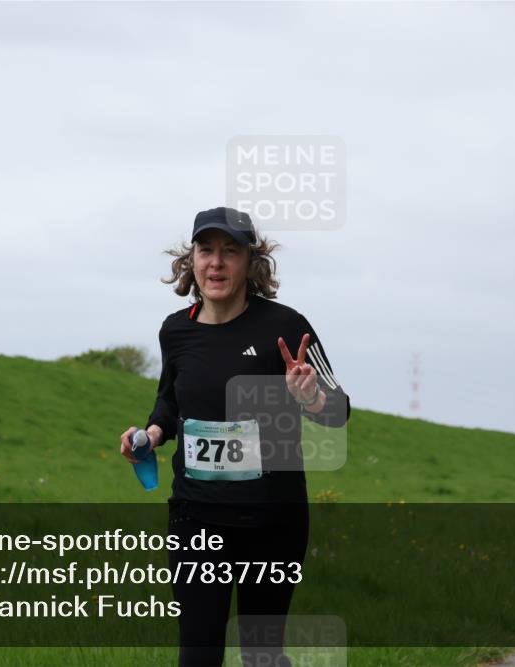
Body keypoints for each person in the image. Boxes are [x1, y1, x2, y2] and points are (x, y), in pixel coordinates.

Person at [120, 207, 351, 667]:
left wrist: (310, 398)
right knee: (198, 653)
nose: (217, 263)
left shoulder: (287, 327)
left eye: (230, 252)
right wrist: (149, 434)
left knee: (261, 655)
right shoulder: (176, 330)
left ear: (251, 263)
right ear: (192, 261)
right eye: (206, 251)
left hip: (273, 519)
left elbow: (339, 412)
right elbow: (169, 402)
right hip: (196, 516)